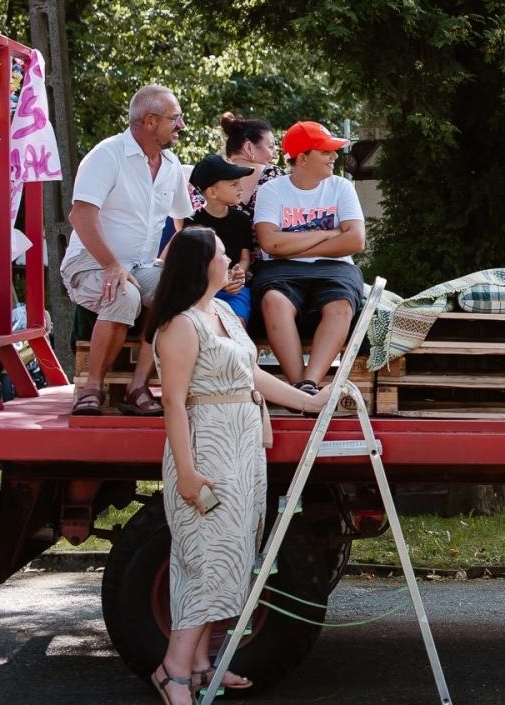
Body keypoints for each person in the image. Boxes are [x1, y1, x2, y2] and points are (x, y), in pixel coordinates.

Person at [146, 227, 328, 704]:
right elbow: (174, 404)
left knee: (231, 557)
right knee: (203, 561)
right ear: (201, 264)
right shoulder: (181, 324)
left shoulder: (222, 311)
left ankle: (203, 663)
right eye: (224, 254)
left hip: (243, 448)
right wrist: (186, 471)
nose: (234, 260)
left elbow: (253, 377)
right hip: (205, 448)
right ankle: (173, 672)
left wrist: (309, 403)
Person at [62, 85, 193, 416]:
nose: (181, 125)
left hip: (140, 266)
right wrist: (111, 265)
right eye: (175, 118)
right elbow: (80, 215)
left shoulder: (171, 165)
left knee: (173, 291)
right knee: (124, 294)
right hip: (90, 263)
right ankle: (92, 388)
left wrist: (171, 264)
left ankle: (137, 388)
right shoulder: (107, 155)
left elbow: (184, 225)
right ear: (150, 121)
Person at [250, 122, 366, 393]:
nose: (334, 157)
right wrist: (328, 234)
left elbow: (355, 240)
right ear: (302, 158)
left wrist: (295, 247)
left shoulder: (341, 188)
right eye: (325, 151)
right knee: (273, 301)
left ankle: (309, 383)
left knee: (340, 305)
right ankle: (298, 388)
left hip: (335, 269)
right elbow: (270, 243)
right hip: (279, 270)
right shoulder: (272, 191)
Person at [184, 155, 257, 325]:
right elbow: (191, 265)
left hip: (234, 288)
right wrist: (218, 281)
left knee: (237, 322)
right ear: (211, 192)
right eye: (233, 184)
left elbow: (245, 257)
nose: (240, 188)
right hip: (201, 288)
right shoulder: (192, 222)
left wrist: (238, 273)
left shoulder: (242, 219)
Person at [190, 113, 279, 213]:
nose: (275, 155)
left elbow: (186, 218)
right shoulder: (274, 175)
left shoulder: (205, 173)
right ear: (248, 148)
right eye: (271, 147)